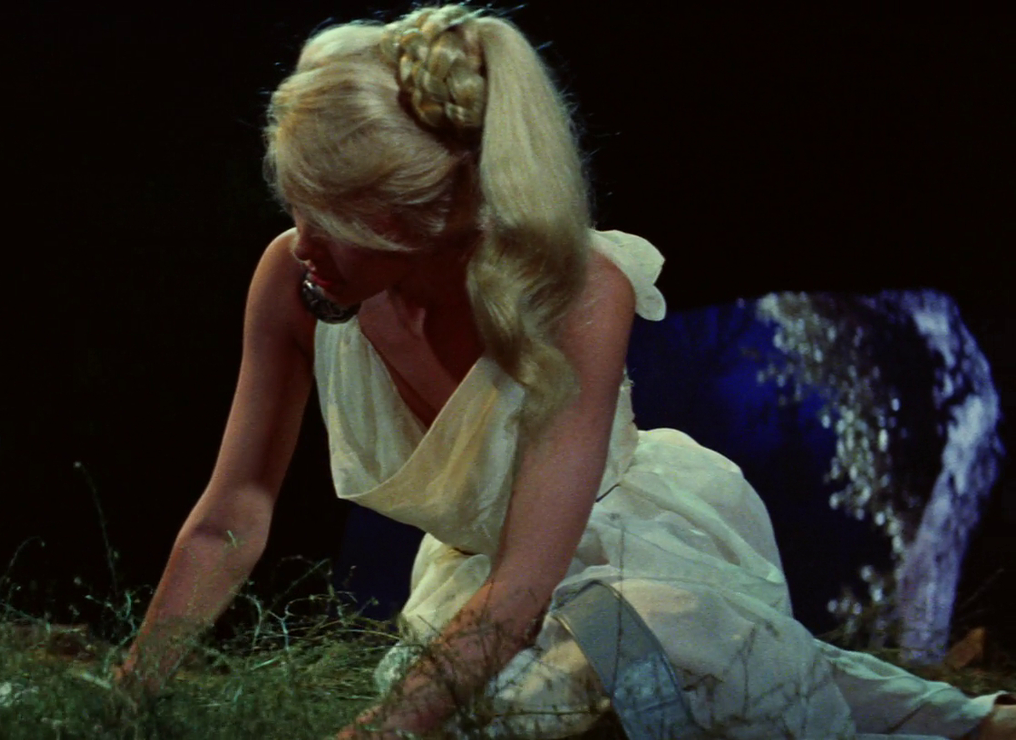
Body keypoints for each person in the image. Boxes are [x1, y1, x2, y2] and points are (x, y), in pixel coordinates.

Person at [115, 6, 1013, 739]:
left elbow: (524, 586)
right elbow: (234, 511)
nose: (301, 241)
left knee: (624, 694)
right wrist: (130, 690)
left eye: (333, 220)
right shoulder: (293, 274)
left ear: (424, 215)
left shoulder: (577, 289)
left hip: (622, 555)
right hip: (477, 587)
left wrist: (375, 735)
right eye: (296, 207)